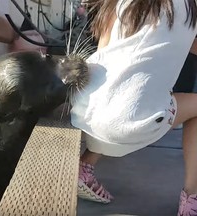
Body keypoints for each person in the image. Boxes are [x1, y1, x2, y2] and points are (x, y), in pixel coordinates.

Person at [70, 0, 197, 215]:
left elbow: (104, 52)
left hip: (83, 108)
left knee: (123, 96)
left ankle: (85, 165)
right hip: (127, 127)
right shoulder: (190, 7)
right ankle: (191, 197)